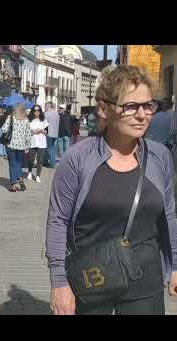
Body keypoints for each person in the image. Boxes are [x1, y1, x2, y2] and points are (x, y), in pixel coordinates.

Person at [46, 64, 177, 315]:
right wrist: (59, 281)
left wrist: (175, 265)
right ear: (104, 109)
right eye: (130, 106)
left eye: (148, 105)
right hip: (91, 280)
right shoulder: (78, 159)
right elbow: (58, 221)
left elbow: (168, 215)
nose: (142, 115)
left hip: (145, 282)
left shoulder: (160, 156)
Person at [1, 103, 32, 192]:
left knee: (12, 164)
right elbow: (28, 134)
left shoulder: (10, 118)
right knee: (18, 163)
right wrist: (28, 146)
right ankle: (20, 179)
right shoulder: (26, 120)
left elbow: (4, 129)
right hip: (21, 146)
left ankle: (13, 184)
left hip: (10, 145)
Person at [27, 104, 49, 183]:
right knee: (31, 159)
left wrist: (41, 131)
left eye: (38, 110)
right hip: (32, 142)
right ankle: (29, 172)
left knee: (40, 159)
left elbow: (47, 132)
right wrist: (32, 131)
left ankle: (37, 176)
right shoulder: (29, 120)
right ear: (33, 111)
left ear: (40, 111)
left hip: (41, 142)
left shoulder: (44, 120)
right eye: (35, 110)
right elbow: (26, 131)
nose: (36, 112)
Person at [44, 102, 60, 168]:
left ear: (48, 106)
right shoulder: (57, 114)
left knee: (49, 149)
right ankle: (52, 162)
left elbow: (44, 124)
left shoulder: (46, 114)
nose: (45, 108)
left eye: (45, 106)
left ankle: (51, 164)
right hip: (55, 134)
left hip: (49, 133)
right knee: (52, 149)